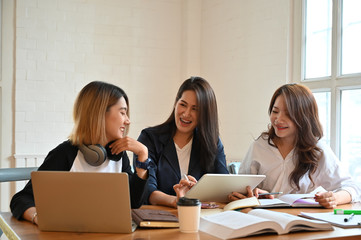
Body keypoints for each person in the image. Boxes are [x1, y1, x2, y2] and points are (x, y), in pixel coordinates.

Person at [10, 81, 151, 225]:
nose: (128, 121)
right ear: (99, 113)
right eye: (122, 112)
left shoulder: (117, 155)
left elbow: (134, 202)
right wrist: (38, 218)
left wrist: (143, 155)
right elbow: (21, 199)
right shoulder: (65, 153)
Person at [229, 83, 361, 208]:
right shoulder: (259, 146)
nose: (278, 120)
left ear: (304, 117)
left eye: (288, 114)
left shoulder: (317, 150)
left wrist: (334, 198)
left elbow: (352, 188)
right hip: (265, 219)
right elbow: (240, 189)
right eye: (275, 111)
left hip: (304, 220)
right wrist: (252, 194)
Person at [134, 76, 229, 208]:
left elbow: (224, 186)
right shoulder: (149, 138)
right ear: (175, 103)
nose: (186, 113)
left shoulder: (212, 142)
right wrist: (178, 201)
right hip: (160, 217)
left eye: (195, 109)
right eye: (183, 105)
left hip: (200, 218)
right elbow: (148, 191)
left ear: (205, 114)